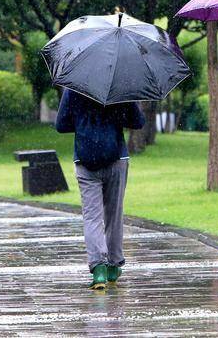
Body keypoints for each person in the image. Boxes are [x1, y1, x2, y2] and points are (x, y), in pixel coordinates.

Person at [55, 88, 145, 290]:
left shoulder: (74, 87)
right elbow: (138, 122)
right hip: (117, 158)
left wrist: (83, 121)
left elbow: (61, 125)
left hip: (85, 160)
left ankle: (99, 271)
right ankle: (113, 266)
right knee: (114, 214)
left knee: (92, 216)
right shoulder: (121, 86)